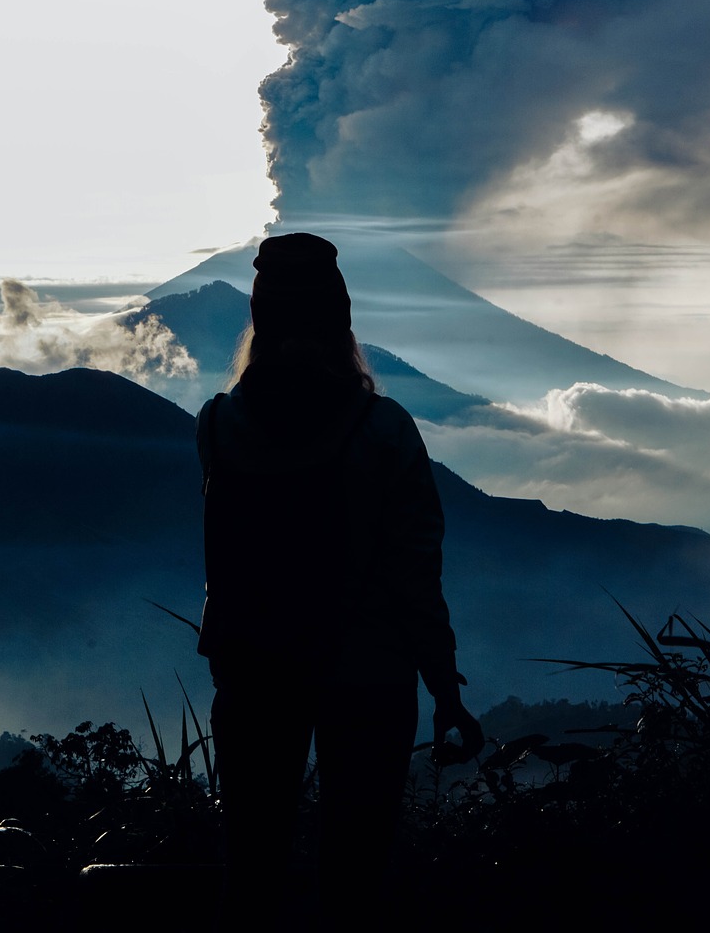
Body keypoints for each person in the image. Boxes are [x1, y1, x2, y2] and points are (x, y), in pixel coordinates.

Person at [196, 233, 482, 929]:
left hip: (253, 669)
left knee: (253, 869)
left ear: (261, 319)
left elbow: (223, 559)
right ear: (339, 319)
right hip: (366, 669)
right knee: (355, 874)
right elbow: (415, 570)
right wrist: (444, 688)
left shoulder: (218, 425)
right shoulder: (381, 428)